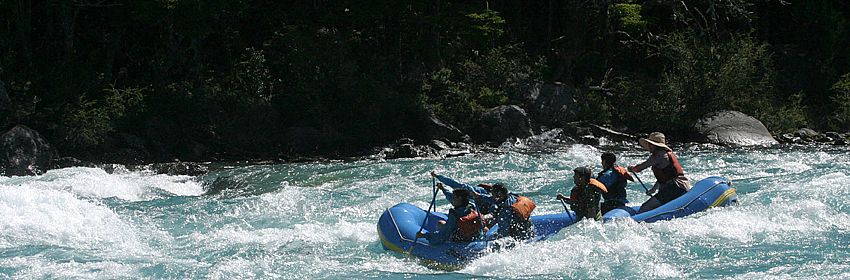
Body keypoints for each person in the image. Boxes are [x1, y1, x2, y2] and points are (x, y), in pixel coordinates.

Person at [628, 132, 691, 213]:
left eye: (651, 144)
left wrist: (632, 168)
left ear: (656, 145)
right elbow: (664, 176)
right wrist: (653, 190)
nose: (649, 146)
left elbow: (640, 168)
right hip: (680, 186)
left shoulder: (658, 156)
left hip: (675, 188)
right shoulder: (665, 154)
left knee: (645, 208)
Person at [416, 189, 484, 244]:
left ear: (459, 198)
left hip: (459, 240)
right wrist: (443, 189)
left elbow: (444, 235)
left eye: (454, 197)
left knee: (440, 223)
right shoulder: (471, 207)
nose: (452, 199)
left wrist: (424, 235)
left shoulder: (454, 214)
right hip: (472, 237)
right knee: (441, 223)